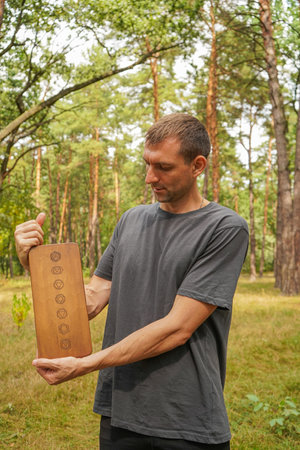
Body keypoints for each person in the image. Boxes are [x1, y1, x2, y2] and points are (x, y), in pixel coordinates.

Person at [14, 113, 249, 450]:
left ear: (198, 166)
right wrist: (33, 264)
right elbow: (92, 298)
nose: (150, 177)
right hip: (119, 411)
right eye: (147, 164)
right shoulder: (132, 220)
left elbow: (177, 328)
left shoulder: (224, 228)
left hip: (185, 418)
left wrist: (85, 365)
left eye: (164, 167)